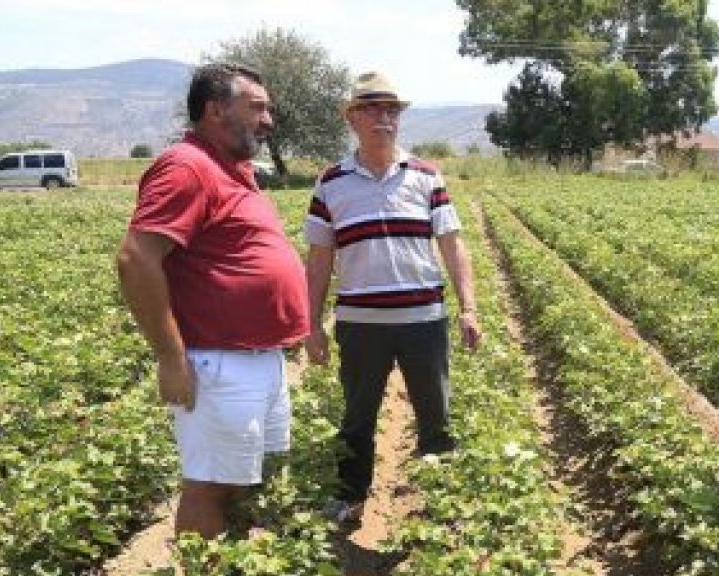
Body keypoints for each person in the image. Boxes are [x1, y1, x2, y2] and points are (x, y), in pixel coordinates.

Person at [116, 63, 310, 539]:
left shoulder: (233, 169)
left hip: (257, 359)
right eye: (258, 107)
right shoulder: (187, 166)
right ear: (215, 109)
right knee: (210, 485)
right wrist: (169, 356)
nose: (269, 120)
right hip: (219, 363)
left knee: (242, 480)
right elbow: (135, 257)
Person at [304, 71, 482, 525]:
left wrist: (469, 308)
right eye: (372, 108)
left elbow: (452, 244)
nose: (384, 117)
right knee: (358, 417)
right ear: (352, 118)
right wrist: (312, 326)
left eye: (391, 110)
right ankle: (350, 496)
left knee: (435, 414)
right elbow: (320, 259)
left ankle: (439, 504)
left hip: (424, 321)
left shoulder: (425, 176)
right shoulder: (331, 183)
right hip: (361, 325)